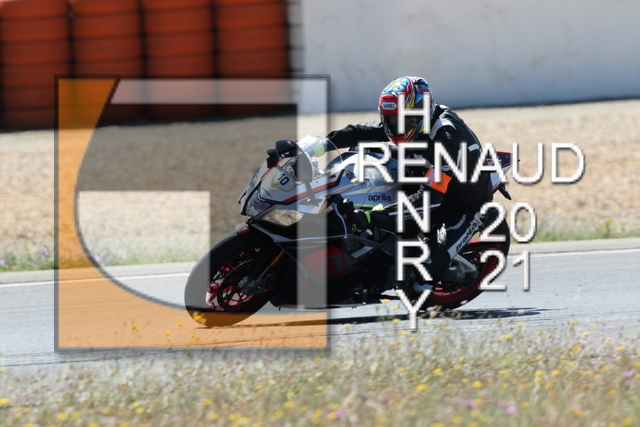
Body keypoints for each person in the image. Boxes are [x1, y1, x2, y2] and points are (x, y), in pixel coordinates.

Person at [326, 76, 493, 287]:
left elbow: (429, 200)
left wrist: (373, 216)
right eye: (390, 119)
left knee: (422, 276)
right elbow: (362, 131)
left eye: (401, 120)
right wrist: (322, 143)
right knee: (367, 152)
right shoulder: (407, 123)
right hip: (425, 175)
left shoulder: (448, 139)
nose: (395, 126)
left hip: (460, 205)